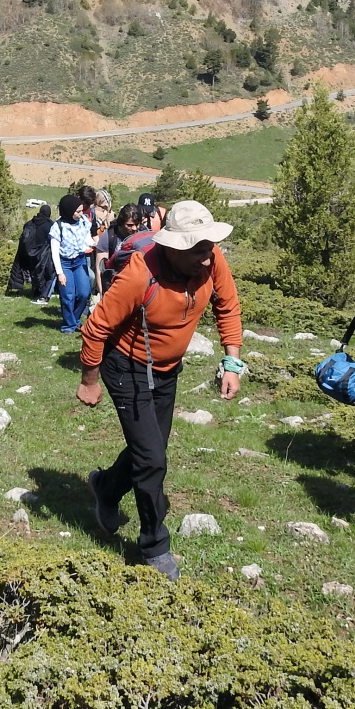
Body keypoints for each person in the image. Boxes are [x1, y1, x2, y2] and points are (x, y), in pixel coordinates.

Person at [78, 200, 245, 580]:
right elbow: (97, 327)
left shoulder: (210, 258)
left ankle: (106, 488)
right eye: (198, 250)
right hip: (126, 367)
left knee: (151, 450)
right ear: (173, 247)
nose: (207, 258)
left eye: (209, 247)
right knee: (152, 458)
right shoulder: (140, 273)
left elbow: (228, 305)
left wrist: (232, 362)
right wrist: (89, 380)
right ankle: (154, 545)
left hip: (167, 371)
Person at [49, 194, 95, 333]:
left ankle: (74, 319)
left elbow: (87, 239)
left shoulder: (83, 221)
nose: (81, 214)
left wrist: (97, 244)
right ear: (68, 211)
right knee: (68, 295)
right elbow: (54, 252)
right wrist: (60, 273)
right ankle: (68, 325)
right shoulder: (58, 227)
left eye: (82, 211)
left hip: (80, 261)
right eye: (78, 211)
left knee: (84, 293)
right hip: (65, 263)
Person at [8, 203, 55, 304]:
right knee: (44, 274)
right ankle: (42, 294)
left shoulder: (30, 223)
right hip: (42, 253)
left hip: (29, 252)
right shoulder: (49, 225)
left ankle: (36, 292)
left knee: (34, 273)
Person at [94, 203, 142, 295]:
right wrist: (102, 293)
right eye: (130, 225)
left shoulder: (142, 233)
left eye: (137, 224)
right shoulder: (108, 237)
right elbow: (100, 268)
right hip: (114, 284)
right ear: (121, 223)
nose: (134, 228)